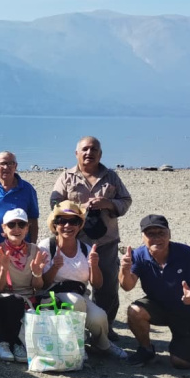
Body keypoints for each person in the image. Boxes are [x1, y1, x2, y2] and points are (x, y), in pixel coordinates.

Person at [51, 136, 132, 341]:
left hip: (106, 242)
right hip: (74, 241)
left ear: (100, 154)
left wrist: (108, 203)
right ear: (76, 153)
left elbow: (126, 201)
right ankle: (75, 326)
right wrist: (80, 209)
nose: (89, 153)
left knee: (107, 286)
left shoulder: (111, 177)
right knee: (72, 283)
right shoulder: (66, 177)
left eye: (94, 149)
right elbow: (55, 203)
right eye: (85, 149)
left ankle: (105, 327)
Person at [38, 201, 127, 360]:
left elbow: (97, 284)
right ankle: (77, 343)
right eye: (62, 221)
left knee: (99, 316)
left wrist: (94, 265)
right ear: (55, 224)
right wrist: (55, 267)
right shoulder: (46, 246)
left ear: (80, 226)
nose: (67, 225)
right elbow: (43, 284)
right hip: (52, 298)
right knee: (76, 301)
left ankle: (102, 344)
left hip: (80, 295)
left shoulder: (86, 249)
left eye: (74, 221)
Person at [119, 215, 190, 369]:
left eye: (161, 233)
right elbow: (127, 286)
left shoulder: (187, 254)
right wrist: (124, 269)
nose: (156, 238)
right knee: (135, 311)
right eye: (150, 234)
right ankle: (146, 350)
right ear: (142, 237)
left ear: (169, 234)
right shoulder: (138, 255)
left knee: (180, 363)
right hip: (160, 306)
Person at [0, 208, 46, 362]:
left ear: (27, 228)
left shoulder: (35, 250)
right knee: (15, 301)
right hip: (7, 298)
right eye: (11, 225)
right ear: (4, 228)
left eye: (21, 224)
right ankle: (15, 343)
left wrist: (37, 273)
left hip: (29, 298)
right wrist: (4, 268)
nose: (17, 229)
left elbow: (38, 286)